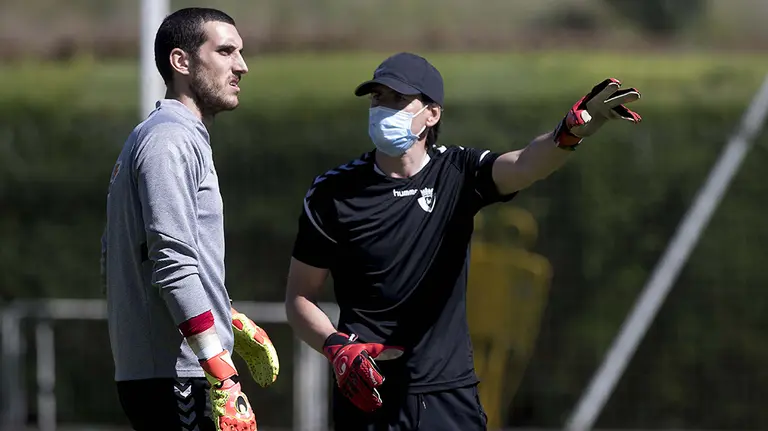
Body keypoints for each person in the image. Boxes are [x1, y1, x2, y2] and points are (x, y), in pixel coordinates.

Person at [284, 52, 641, 430]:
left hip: (449, 395)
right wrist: (336, 346)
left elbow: (524, 164)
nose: (382, 109)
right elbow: (299, 298)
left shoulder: (457, 170)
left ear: (432, 114)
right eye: (377, 98)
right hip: (366, 394)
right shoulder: (332, 192)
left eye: (397, 99)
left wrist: (567, 133)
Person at [100, 8, 280, 431]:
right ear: (181, 62)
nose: (242, 65)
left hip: (171, 372)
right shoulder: (170, 139)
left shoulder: (163, 134)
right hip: (178, 376)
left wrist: (224, 314)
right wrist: (220, 367)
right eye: (225, 51)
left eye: (240, 52)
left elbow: (122, 253)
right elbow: (172, 261)